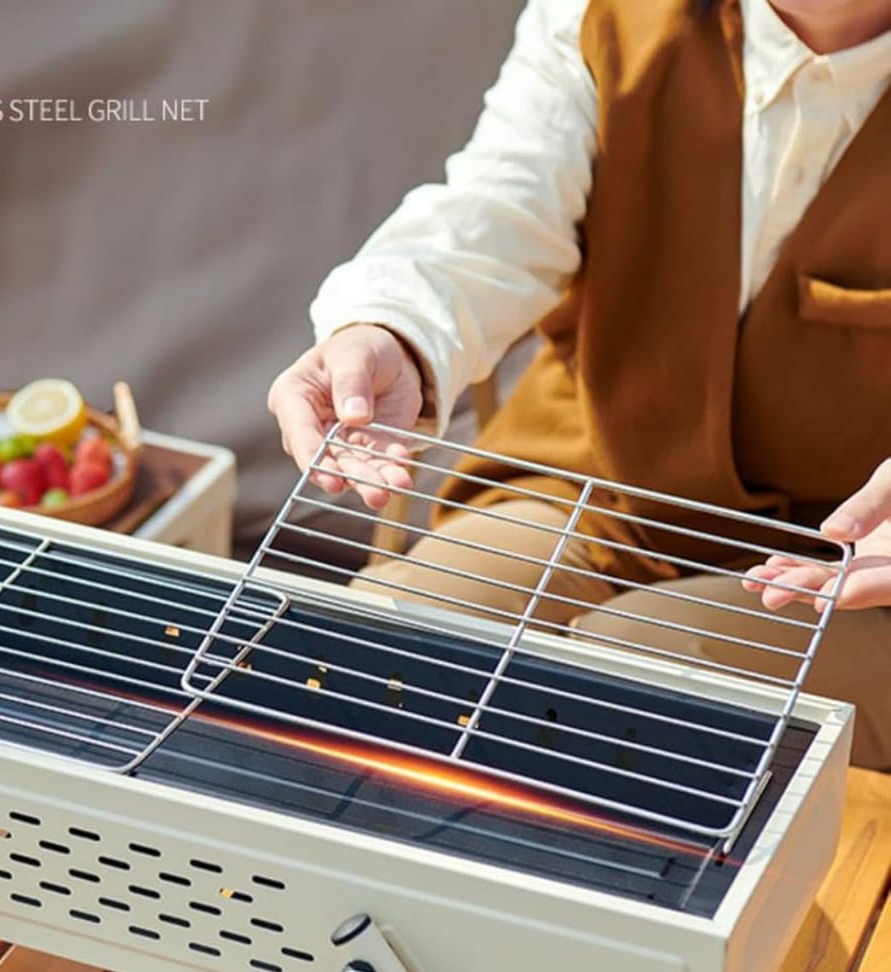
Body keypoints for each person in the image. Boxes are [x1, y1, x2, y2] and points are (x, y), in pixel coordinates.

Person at [268, 0, 891, 770]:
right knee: (369, 662)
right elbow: (497, 211)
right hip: (592, 488)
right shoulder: (602, 17)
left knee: (637, 705)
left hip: (853, 568)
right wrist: (387, 329)